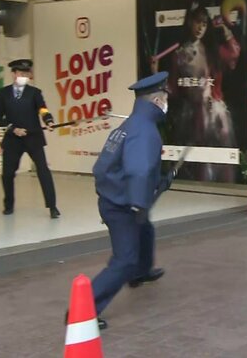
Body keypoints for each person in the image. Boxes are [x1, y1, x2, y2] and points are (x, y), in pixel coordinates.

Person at [89, 71, 172, 329]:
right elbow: (139, 170)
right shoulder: (146, 131)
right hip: (122, 206)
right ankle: (84, 310)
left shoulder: (128, 126)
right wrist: (138, 203)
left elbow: (105, 167)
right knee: (124, 259)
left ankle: (141, 272)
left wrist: (160, 182)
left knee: (145, 230)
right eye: (165, 98)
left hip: (114, 198)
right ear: (157, 101)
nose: (166, 103)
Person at [156, 4, 241, 183]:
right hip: (193, 117)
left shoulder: (212, 51)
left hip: (216, 114)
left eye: (204, 23)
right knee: (200, 165)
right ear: (189, 22)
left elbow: (234, 53)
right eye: (197, 22)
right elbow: (173, 89)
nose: (201, 27)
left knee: (223, 164)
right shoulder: (179, 54)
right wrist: (155, 72)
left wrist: (224, 29)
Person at [0, 59, 60, 218]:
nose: (25, 76)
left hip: (33, 137)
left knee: (43, 171)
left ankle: (52, 206)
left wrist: (49, 121)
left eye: (27, 73)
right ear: (14, 74)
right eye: (21, 73)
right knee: (7, 174)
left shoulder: (35, 92)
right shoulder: (3, 93)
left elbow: (43, 109)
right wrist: (13, 129)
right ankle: (8, 204)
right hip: (13, 139)